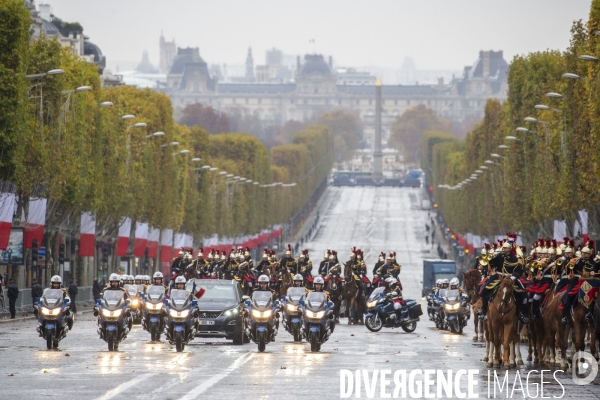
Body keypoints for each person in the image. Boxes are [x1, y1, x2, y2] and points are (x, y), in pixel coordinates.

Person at [561, 241, 598, 324]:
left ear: (589, 254)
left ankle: (591, 313)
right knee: (568, 295)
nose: (584, 254)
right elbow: (567, 270)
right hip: (576, 280)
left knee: (593, 296)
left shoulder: (593, 263)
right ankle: (565, 316)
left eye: (586, 253)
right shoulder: (576, 260)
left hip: (588, 281)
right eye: (583, 253)